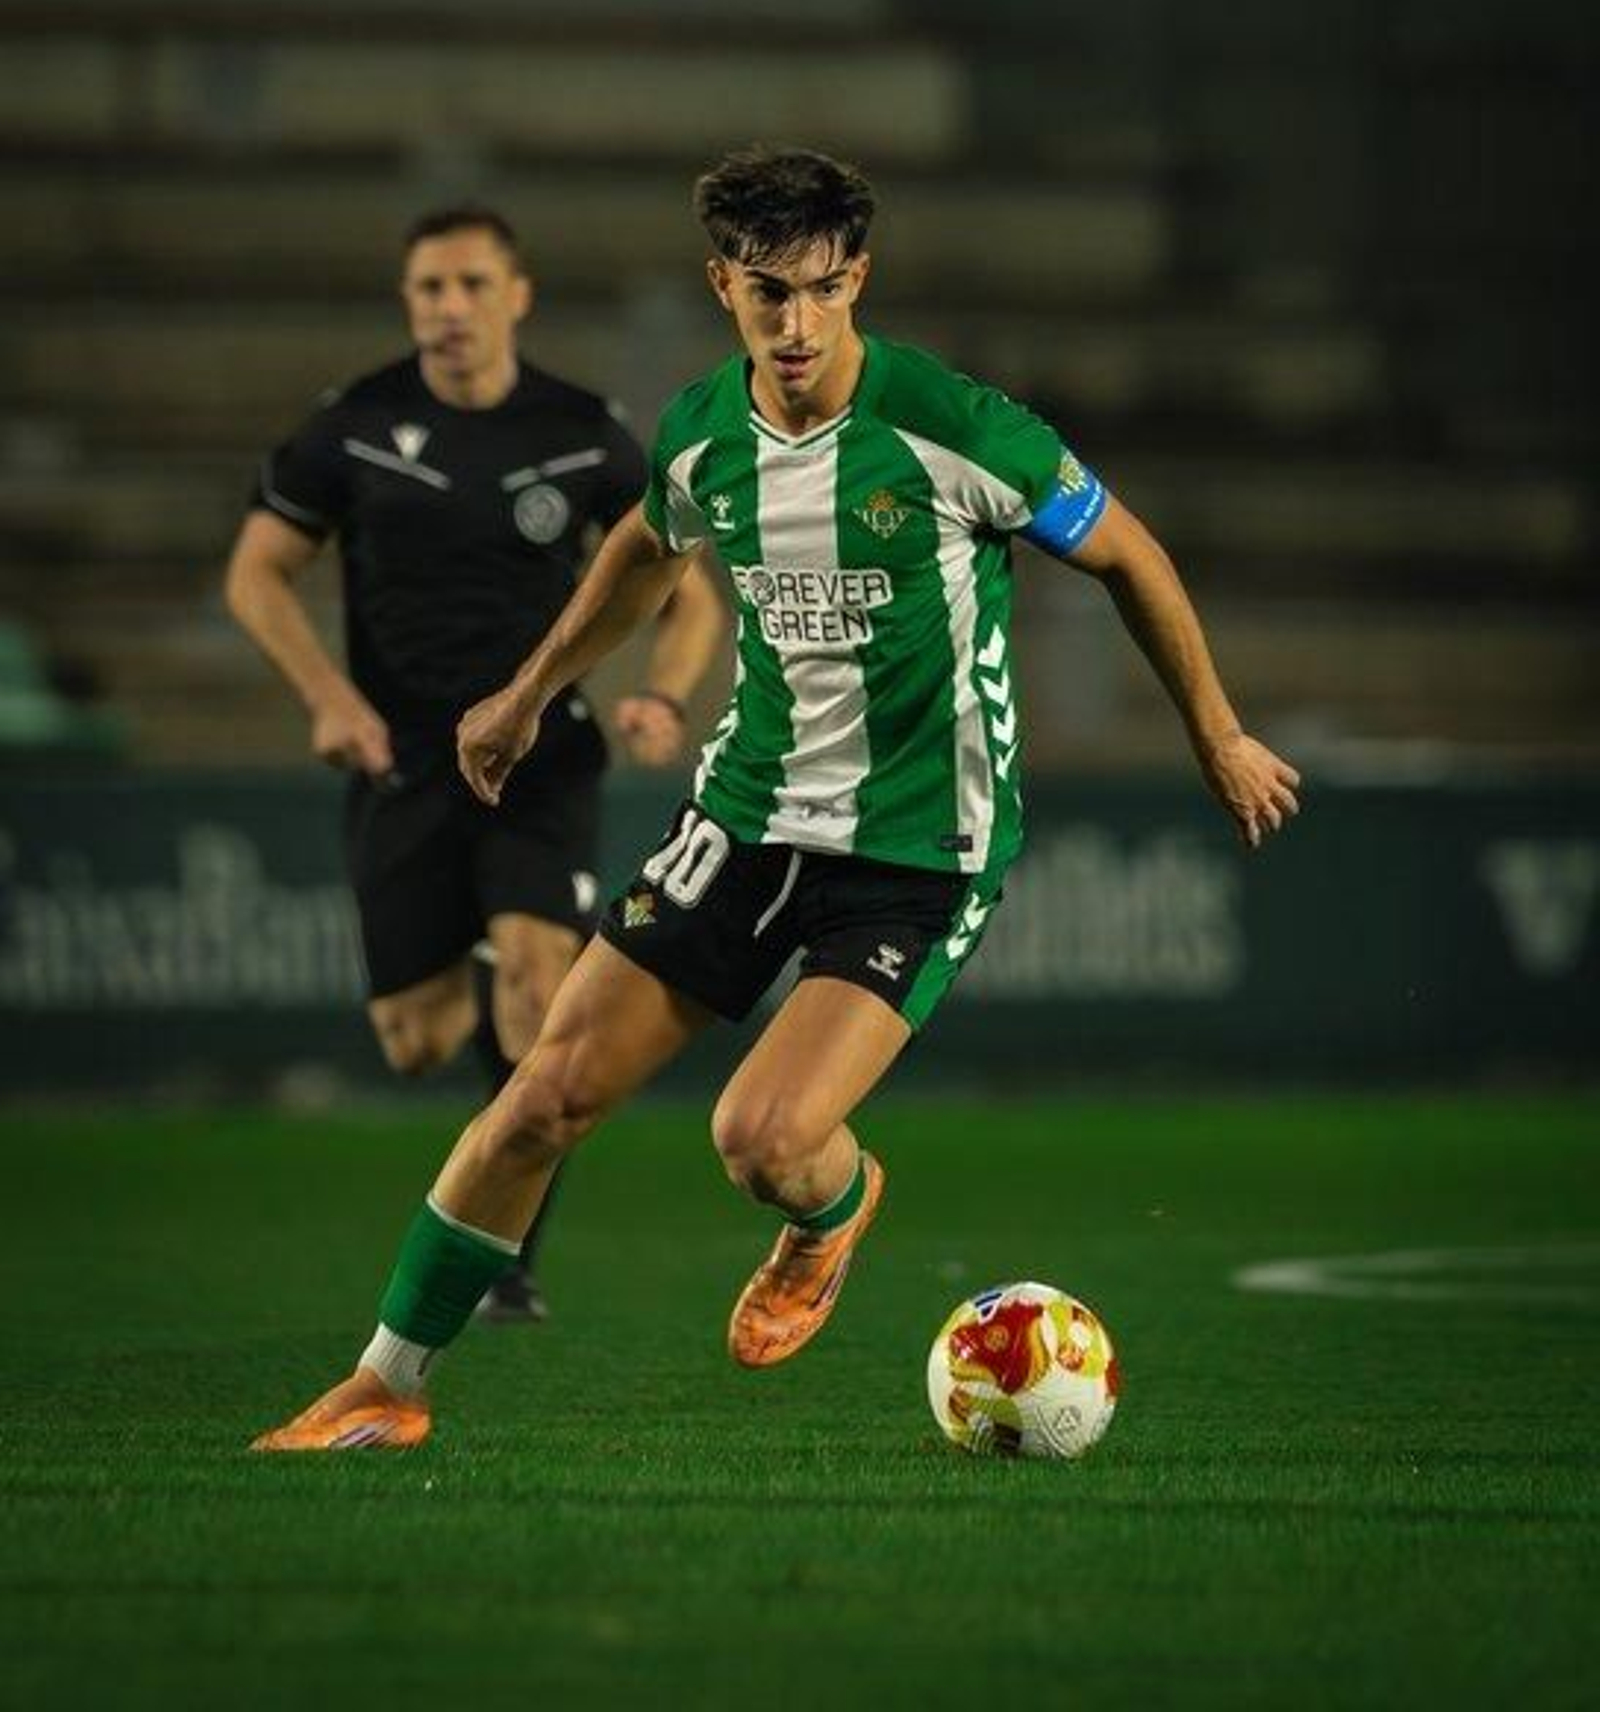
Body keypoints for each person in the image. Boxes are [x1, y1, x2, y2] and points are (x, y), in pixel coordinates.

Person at [253, 147, 1300, 1449]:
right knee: (543, 1095)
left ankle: (835, 1202)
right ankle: (387, 1384)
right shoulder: (700, 429)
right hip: (744, 820)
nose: (794, 326)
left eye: (818, 291)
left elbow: (1129, 554)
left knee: (759, 1140)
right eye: (765, 294)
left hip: (921, 850)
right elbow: (644, 544)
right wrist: (529, 693)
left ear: (856, 277)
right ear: (723, 285)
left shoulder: (955, 428)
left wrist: (1219, 734)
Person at [225, 205, 725, 1320]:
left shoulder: (585, 432)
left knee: (542, 996)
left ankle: (506, 1265)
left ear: (517, 293)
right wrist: (328, 697)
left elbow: (690, 587)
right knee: (420, 1038)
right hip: (400, 757)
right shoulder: (353, 425)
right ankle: (501, 968)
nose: (448, 308)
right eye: (427, 290)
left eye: (468, 285)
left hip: (539, 753)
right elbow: (256, 574)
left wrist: (657, 691)